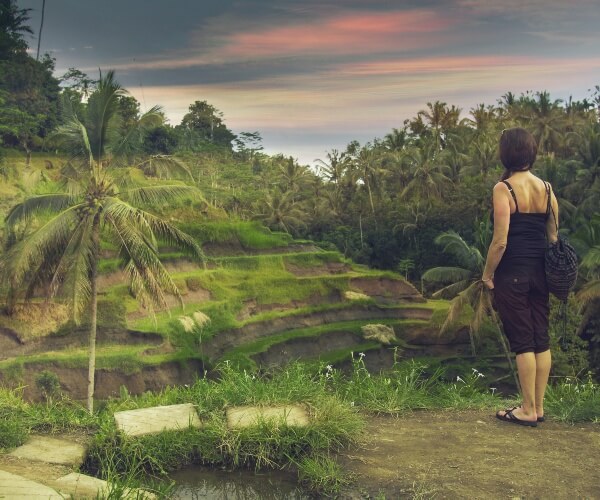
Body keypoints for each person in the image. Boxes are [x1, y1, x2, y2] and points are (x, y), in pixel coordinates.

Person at [481, 127, 558, 427]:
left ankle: (526, 409)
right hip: (541, 273)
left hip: (513, 274)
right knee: (541, 339)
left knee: (524, 342)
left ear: (506, 153)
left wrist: (488, 275)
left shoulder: (504, 189)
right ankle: (537, 406)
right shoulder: (548, 189)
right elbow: (553, 236)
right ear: (532, 151)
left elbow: (500, 241)